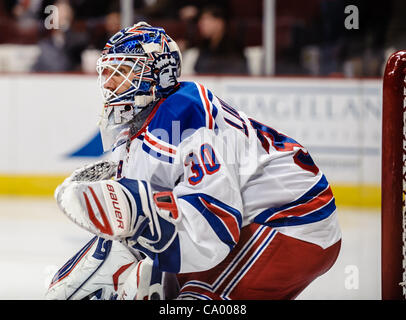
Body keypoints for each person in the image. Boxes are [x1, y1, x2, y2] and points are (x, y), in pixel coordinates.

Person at [46, 22, 341, 300]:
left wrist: (132, 208)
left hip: (293, 221)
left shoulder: (184, 111)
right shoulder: (136, 127)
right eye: (108, 71)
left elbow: (214, 227)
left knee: (195, 299)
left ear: (158, 75)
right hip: (250, 222)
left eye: (123, 70)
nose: (110, 82)